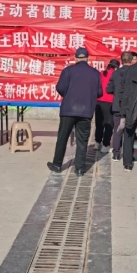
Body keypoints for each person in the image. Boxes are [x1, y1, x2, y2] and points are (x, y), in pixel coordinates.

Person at [48, 48, 102, 177]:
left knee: (62, 137)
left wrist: (69, 95)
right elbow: (99, 92)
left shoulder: (68, 71)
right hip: (86, 111)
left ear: (76, 58)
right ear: (87, 58)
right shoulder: (95, 73)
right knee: (82, 141)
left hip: (68, 110)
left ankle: (57, 164)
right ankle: (79, 169)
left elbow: (60, 87)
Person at [106, 52, 133, 162]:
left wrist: (117, 91)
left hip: (117, 105)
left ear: (121, 61)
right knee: (129, 130)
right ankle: (128, 155)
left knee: (117, 130)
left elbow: (109, 89)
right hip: (131, 106)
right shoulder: (135, 73)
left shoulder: (115, 73)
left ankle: (116, 153)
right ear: (131, 60)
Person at [95, 59, 120, 153]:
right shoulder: (116, 75)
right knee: (109, 124)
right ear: (117, 67)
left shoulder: (101, 73)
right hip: (110, 102)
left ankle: (97, 142)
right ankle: (105, 145)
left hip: (99, 101)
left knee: (99, 123)